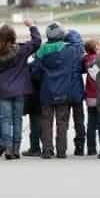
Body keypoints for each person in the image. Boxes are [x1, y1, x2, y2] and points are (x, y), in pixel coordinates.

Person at [30, 22, 84, 159]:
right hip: (64, 92)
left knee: (46, 121)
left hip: (46, 92)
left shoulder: (41, 51)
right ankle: (61, 151)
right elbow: (79, 47)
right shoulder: (70, 50)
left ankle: (47, 150)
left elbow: (35, 73)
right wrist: (70, 33)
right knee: (62, 122)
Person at [0, 20, 41, 160]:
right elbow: (37, 41)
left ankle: (8, 147)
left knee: (6, 120)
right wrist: (32, 26)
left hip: (4, 90)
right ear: (13, 36)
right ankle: (16, 149)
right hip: (20, 90)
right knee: (17, 120)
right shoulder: (21, 50)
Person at [82, 40, 100, 156]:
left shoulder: (85, 59)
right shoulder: (99, 59)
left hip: (90, 96)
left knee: (91, 123)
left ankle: (91, 148)